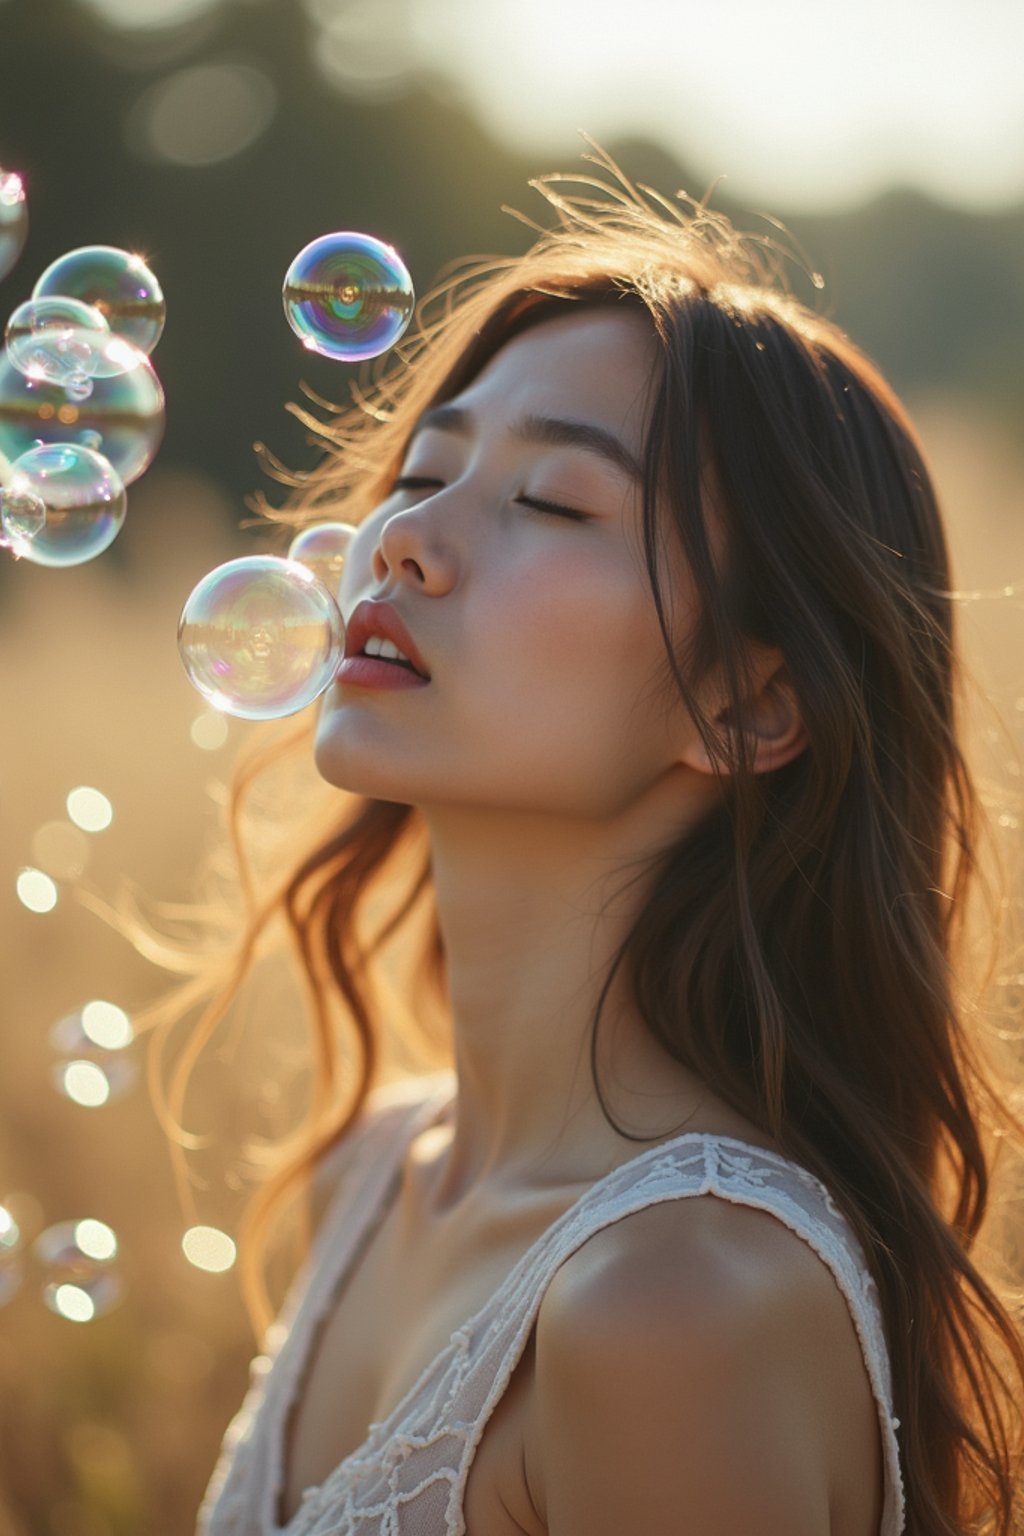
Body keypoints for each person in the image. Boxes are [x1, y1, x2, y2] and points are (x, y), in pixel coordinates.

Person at [179, 150, 1024, 1534]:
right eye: (427, 468)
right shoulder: (375, 1167)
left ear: (752, 707)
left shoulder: (675, 1309)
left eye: (552, 503)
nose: (404, 543)